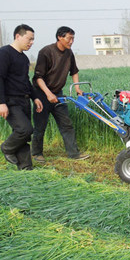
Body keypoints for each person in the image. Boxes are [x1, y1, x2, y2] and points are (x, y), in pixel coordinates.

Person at [31, 26, 89, 162]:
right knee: (40, 125)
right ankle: (36, 153)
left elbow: (74, 71)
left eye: (73, 38)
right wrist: (48, 94)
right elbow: (38, 77)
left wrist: (77, 88)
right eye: (69, 38)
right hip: (42, 94)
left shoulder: (69, 53)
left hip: (59, 94)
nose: (71, 41)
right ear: (60, 37)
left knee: (66, 124)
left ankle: (73, 153)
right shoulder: (46, 52)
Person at [0, 24, 43, 170]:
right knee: (25, 129)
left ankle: (26, 167)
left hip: (24, 99)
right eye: (29, 39)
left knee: (25, 136)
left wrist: (35, 97)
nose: (31, 42)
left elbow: (26, 80)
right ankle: (7, 148)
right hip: (11, 101)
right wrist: (1, 103)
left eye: (33, 40)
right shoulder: (3, 53)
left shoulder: (24, 58)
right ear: (18, 36)